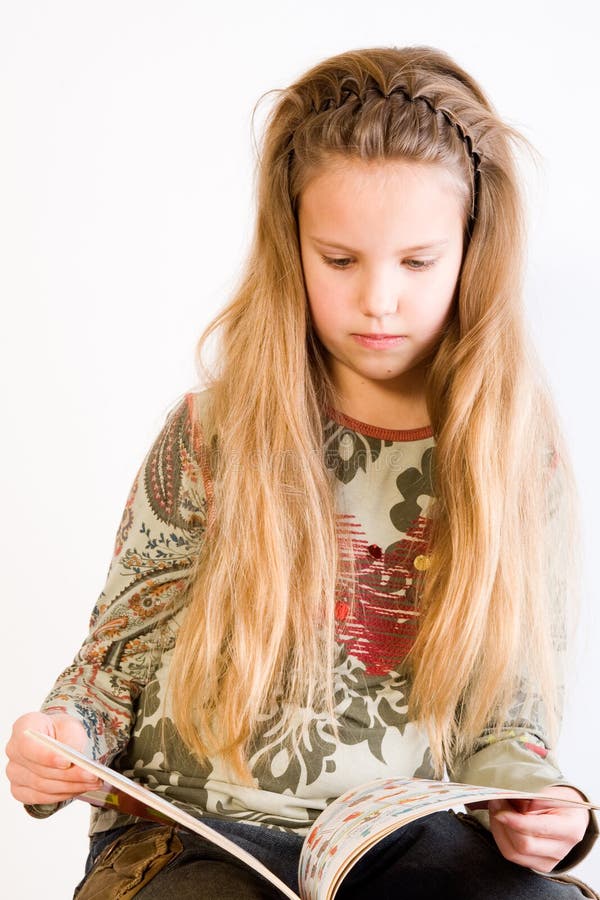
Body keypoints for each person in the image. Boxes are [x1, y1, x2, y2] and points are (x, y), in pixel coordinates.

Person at [5, 45, 599, 899]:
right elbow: (112, 667)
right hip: (189, 835)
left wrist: (542, 805)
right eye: (341, 260)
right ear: (293, 249)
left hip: (406, 843)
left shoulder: (512, 457)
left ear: (474, 250)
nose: (380, 300)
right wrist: (61, 735)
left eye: (418, 262)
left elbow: (509, 720)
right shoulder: (212, 431)